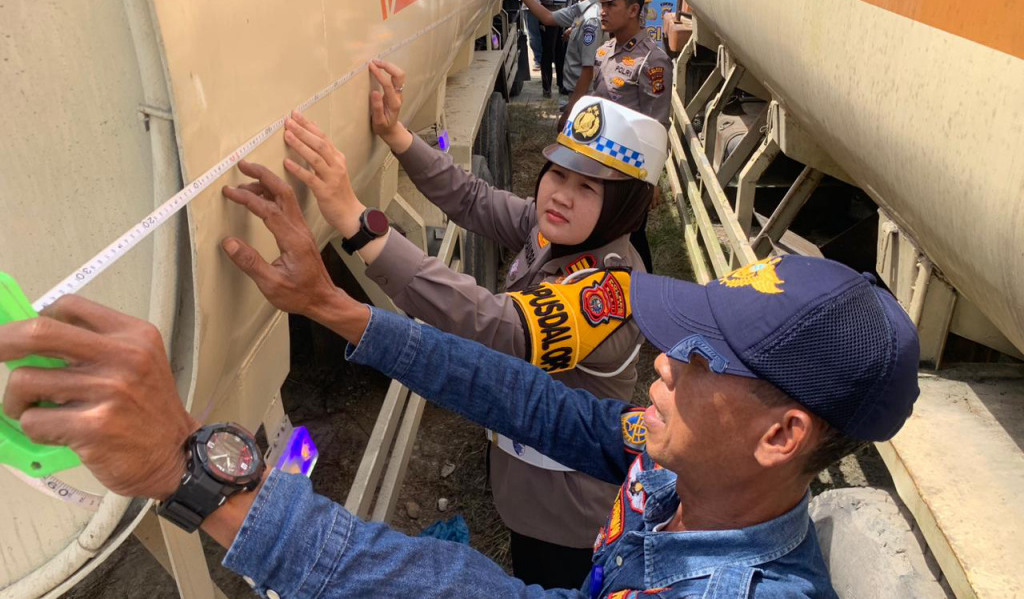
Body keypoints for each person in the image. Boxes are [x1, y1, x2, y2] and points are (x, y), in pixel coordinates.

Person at [0, 247, 920, 597]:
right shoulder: (690, 468)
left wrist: (193, 472)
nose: (662, 361)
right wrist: (338, 309)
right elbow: (531, 401)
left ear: (781, 436)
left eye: (701, 357)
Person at [272, 75, 664, 588]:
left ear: (625, 206)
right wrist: (398, 136)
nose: (561, 196)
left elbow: (493, 324)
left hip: (564, 513)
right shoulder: (559, 233)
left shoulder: (608, 295)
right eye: (558, 173)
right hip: (525, 482)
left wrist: (358, 223)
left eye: (587, 187)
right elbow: (474, 199)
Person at [592, 0, 675, 273]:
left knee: (632, 242)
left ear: (633, 10)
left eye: (610, 4)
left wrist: (650, 181)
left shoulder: (652, 61)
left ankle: (644, 291)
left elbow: (657, 125)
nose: (602, 11)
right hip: (599, 163)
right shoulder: (604, 52)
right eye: (602, 3)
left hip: (629, 172)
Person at [508, 0, 604, 130]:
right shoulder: (584, 8)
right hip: (580, 96)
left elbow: (588, 71)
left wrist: (569, 113)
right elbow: (548, 17)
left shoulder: (591, 19)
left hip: (585, 99)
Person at [532, 0, 569, 97]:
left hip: (563, 16)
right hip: (548, 16)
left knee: (561, 52)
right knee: (548, 52)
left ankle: (562, 84)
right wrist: (565, 0)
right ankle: (546, 87)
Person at [520, 0, 545, 71]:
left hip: (545, 4)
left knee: (547, 34)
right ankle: (538, 59)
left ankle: (549, 58)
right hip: (529, 5)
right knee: (533, 35)